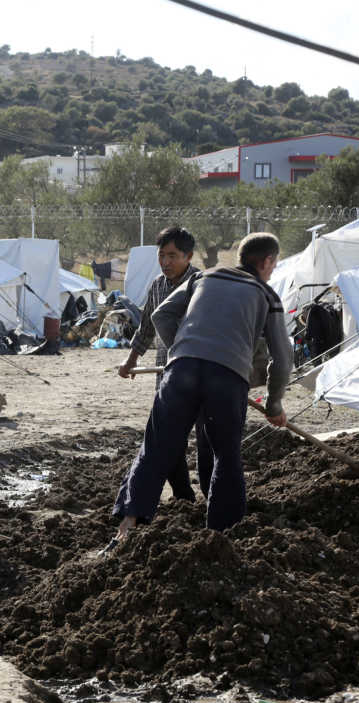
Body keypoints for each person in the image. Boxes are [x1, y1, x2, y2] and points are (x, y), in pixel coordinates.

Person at [110, 232, 292, 546]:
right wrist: (274, 404)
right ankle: (221, 539)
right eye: (273, 265)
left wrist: (182, 347)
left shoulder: (203, 278)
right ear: (267, 262)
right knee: (226, 456)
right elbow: (283, 357)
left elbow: (161, 314)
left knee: (156, 448)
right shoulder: (267, 295)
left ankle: (127, 527)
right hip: (228, 377)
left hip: (181, 370)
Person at [118, 226, 203, 502]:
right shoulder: (157, 285)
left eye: (173, 255)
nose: (166, 262)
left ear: (188, 256)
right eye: (162, 255)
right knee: (167, 438)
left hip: (201, 374)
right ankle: (183, 497)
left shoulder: (202, 285)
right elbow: (145, 330)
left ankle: (214, 496)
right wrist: (129, 362)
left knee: (207, 437)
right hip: (167, 374)